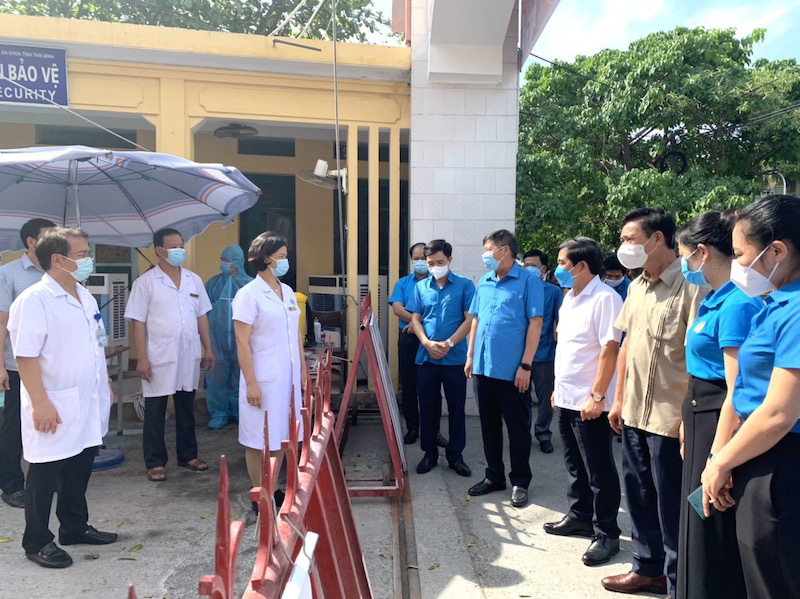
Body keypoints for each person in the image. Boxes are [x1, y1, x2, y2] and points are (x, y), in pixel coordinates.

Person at [602, 208, 707, 598]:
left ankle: (678, 583)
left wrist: (688, 415)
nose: (624, 247)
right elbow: (627, 346)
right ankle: (646, 569)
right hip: (633, 413)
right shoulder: (636, 287)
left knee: (672, 506)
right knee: (639, 495)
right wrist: (617, 400)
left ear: (657, 238)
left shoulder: (693, 285)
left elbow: (700, 357)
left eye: (630, 239)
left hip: (669, 418)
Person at [701, 195, 800, 599]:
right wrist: (723, 458)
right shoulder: (774, 302)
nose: (737, 266)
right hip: (756, 452)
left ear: (777, 251)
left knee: (774, 579)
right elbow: (744, 391)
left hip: (781, 461)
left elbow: (778, 412)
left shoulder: (796, 310)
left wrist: (721, 462)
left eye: (741, 255)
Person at [8, 227, 117, 568]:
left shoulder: (84, 296)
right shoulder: (34, 300)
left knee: (79, 465)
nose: (89, 260)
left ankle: (74, 526)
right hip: (54, 402)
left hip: (87, 399)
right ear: (58, 259)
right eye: (82, 255)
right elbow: (25, 356)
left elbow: (96, 344)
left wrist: (105, 384)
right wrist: (40, 403)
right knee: (44, 472)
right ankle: (37, 541)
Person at [674, 211, 759, 599]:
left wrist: (718, 456)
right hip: (700, 416)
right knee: (695, 522)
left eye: (684, 256)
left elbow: (737, 388)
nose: (685, 266)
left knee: (708, 521)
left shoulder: (737, 304)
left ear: (702, 252)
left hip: (719, 421)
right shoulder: (713, 299)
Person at [544, 237, 623, 566]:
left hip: (591, 402)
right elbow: (568, 348)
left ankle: (607, 533)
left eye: (563, 263)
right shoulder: (569, 298)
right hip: (566, 397)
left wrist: (598, 395)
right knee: (575, 463)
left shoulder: (605, 299)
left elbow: (610, 349)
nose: (558, 269)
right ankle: (579, 516)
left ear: (581, 266)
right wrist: (557, 389)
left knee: (598, 468)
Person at [125, 228, 214, 482]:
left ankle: (188, 455)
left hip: (188, 353)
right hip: (158, 355)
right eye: (173, 246)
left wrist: (208, 348)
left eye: (181, 246)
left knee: (186, 405)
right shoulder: (145, 283)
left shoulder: (193, 280)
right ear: (159, 250)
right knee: (156, 408)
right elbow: (138, 323)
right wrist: (141, 358)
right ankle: (155, 461)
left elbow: (201, 316)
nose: (179, 251)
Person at [466, 229, 543, 508]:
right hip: (483, 368)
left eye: (488, 249)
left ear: (505, 250)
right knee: (489, 427)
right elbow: (476, 320)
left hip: (513, 371)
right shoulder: (484, 281)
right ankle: (494, 476)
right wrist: (470, 356)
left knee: (518, 429)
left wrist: (526, 365)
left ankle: (520, 481)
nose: (485, 255)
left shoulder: (528, 281)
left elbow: (535, 323)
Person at [233, 232, 308, 512]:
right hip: (262, 377)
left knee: (281, 432)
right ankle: (258, 493)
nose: (286, 261)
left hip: (287, 378)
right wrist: (251, 383)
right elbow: (242, 342)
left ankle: (274, 488)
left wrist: (302, 370)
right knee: (258, 438)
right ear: (266, 258)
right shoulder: (248, 295)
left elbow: (295, 334)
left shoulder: (287, 291)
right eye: (281, 256)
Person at [0, 218, 55, 509]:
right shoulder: (8, 274)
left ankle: (46, 479)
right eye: (49, 236)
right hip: (18, 364)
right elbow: (1, 322)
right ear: (31, 242)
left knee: (50, 421)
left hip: (53, 364)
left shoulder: (59, 270)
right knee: (15, 425)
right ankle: (11, 485)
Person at [408, 239, 475, 477]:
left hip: (454, 359)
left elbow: (470, 319)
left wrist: (448, 344)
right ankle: (430, 454)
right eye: (430, 263)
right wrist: (426, 343)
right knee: (428, 408)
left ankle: (455, 456)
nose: (435, 267)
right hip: (426, 359)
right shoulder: (421, 287)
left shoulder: (465, 285)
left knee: (456, 409)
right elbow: (415, 318)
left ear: (450, 260)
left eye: (440, 262)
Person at [389, 243, 445, 447]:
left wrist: (417, 323)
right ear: (411, 260)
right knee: (409, 384)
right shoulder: (403, 283)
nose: (420, 261)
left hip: (431, 338)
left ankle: (434, 430)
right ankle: (413, 428)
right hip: (409, 338)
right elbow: (397, 308)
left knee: (433, 385)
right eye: (416, 258)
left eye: (423, 257)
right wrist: (416, 321)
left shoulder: (438, 281)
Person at [204, 244, 253, 430]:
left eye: (227, 260)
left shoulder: (250, 285)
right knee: (216, 377)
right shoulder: (213, 284)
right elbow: (202, 311)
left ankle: (241, 412)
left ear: (237, 262)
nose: (224, 263)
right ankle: (219, 413)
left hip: (243, 342)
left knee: (241, 378)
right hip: (217, 342)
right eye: (222, 260)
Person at [523, 249, 563, 453]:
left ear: (543, 268)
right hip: (520, 355)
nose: (528, 269)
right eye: (526, 265)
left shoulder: (553, 292)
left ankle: (543, 434)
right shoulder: (519, 289)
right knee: (521, 399)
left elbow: (561, 321)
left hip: (545, 354)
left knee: (545, 399)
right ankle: (522, 434)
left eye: (533, 265)